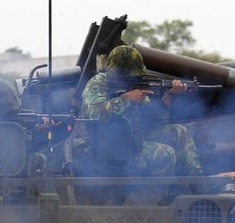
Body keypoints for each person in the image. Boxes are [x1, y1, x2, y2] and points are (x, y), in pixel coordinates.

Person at [81, 45, 207, 188]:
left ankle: (198, 183)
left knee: (179, 131)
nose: (133, 78)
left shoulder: (132, 86)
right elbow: (97, 114)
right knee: (164, 153)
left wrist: (169, 95)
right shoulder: (97, 84)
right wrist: (127, 98)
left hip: (134, 140)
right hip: (110, 147)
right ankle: (158, 197)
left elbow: (156, 121)